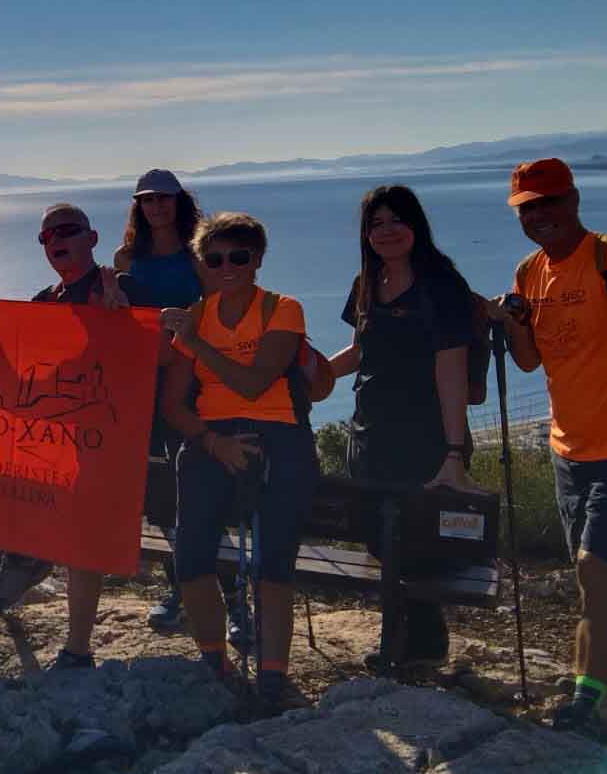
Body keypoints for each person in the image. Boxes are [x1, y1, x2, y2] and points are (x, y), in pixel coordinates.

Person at [490, 159, 607, 735]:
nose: (540, 215)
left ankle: (585, 694)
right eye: (529, 207)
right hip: (566, 446)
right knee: (599, 569)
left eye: (549, 202)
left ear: (573, 199)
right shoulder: (530, 272)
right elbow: (528, 360)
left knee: (594, 563)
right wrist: (511, 320)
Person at [0, 202, 137, 670]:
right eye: (45, 237)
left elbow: (151, 355)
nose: (54, 241)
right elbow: (19, 372)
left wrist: (124, 317)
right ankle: (34, 579)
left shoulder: (121, 290)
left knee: (83, 541)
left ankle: (77, 648)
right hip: (59, 444)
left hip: (110, 442)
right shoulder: (45, 302)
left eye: (65, 231)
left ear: (92, 238)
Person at [159, 212, 321, 710]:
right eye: (215, 258)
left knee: (274, 566)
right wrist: (212, 443)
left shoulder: (282, 309)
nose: (226, 266)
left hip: (280, 438)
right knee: (190, 563)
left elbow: (254, 382)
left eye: (239, 257)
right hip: (211, 440)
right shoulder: (196, 315)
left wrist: (196, 342)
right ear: (201, 262)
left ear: (257, 260)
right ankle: (215, 665)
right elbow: (171, 404)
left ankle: (272, 677)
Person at [327, 184, 478, 670]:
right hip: (369, 434)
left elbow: (451, 370)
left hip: (425, 438)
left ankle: (412, 643)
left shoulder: (442, 286)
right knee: (379, 539)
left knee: (415, 544)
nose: (386, 231)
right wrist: (315, 373)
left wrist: (453, 452)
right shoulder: (366, 283)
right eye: (376, 224)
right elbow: (359, 352)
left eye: (396, 220)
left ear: (416, 225)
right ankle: (411, 641)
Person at [113, 169, 244, 638]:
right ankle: (183, 588)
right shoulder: (126, 257)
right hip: (145, 385)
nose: (156, 207)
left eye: (164, 199)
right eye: (147, 200)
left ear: (178, 201)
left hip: (192, 384)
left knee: (202, 486)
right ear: (138, 207)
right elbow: (124, 323)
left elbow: (220, 311)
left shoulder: (199, 255)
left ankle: (232, 597)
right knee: (165, 495)